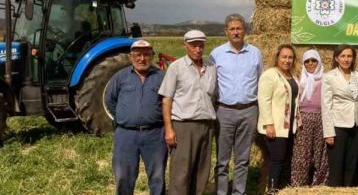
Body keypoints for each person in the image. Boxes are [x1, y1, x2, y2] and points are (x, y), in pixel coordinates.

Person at [209, 13, 264, 195]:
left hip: (249, 111)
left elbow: (260, 80)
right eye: (232, 29)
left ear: (244, 30)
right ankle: (222, 192)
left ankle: (239, 192)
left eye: (239, 28)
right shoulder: (216, 54)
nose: (235, 32)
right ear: (226, 32)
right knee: (222, 159)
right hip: (224, 111)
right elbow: (211, 83)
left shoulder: (255, 53)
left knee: (242, 159)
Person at [105, 39, 167, 195]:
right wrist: (124, 118)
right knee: (123, 177)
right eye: (138, 55)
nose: (142, 59)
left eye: (146, 55)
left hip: (155, 134)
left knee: (157, 177)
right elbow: (110, 100)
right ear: (131, 57)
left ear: (151, 56)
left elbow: (169, 102)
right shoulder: (120, 77)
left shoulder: (161, 76)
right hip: (126, 134)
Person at [158, 30, 217, 195]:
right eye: (193, 46)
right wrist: (169, 129)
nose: (198, 49)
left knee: (202, 170)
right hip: (184, 126)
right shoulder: (176, 68)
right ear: (185, 46)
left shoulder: (211, 67)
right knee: (181, 171)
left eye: (201, 45)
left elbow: (215, 96)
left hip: (206, 125)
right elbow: (166, 100)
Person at [257, 44, 300, 193]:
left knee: (284, 160)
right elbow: (264, 100)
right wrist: (269, 124)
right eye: (284, 57)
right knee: (277, 160)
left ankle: (281, 190)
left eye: (290, 57)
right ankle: (272, 190)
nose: (287, 60)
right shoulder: (270, 75)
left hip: (289, 127)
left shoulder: (292, 76)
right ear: (277, 57)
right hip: (275, 127)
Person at [321, 44, 358, 187]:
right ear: (336, 58)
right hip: (338, 126)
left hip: (356, 125)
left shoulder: (357, 75)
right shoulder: (329, 77)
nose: (346, 59)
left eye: (349, 56)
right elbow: (326, 106)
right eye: (343, 56)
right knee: (337, 166)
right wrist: (328, 132)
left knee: (351, 164)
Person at [290, 49, 329, 186]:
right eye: (307, 61)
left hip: (321, 119)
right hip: (303, 120)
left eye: (314, 60)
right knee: (302, 155)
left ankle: (319, 186)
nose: (311, 64)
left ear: (318, 62)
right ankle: (298, 186)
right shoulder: (299, 79)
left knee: (320, 156)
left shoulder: (326, 79)